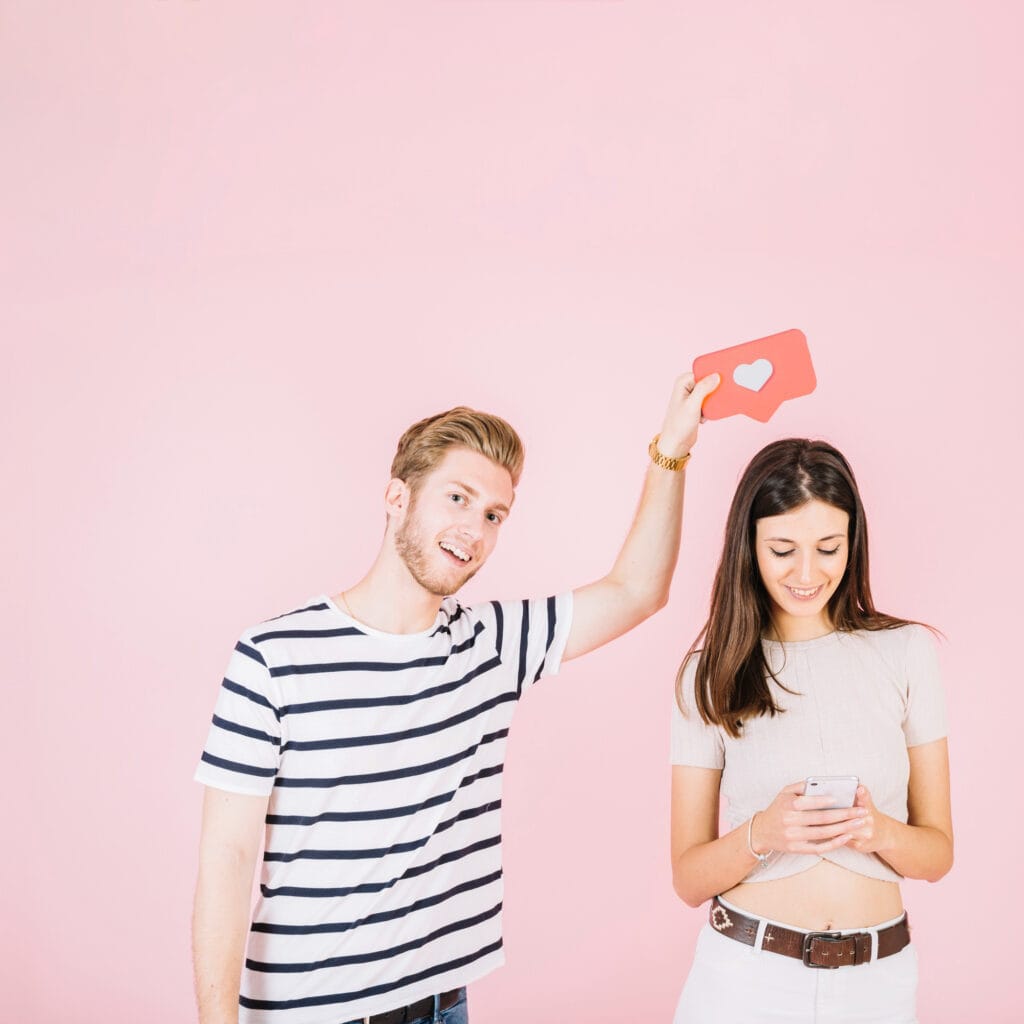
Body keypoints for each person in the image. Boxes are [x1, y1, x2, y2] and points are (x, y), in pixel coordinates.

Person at [192, 371, 719, 1024]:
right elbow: (227, 858)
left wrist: (672, 449)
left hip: (442, 1006)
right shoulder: (275, 656)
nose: (474, 528)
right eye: (457, 498)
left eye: (494, 515)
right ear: (397, 496)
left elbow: (637, 590)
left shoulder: (490, 645)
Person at [669, 438, 953, 1024]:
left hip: (879, 985)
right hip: (745, 980)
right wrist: (763, 832)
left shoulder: (906, 652)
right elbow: (688, 879)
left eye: (828, 548)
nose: (806, 573)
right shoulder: (710, 673)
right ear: (749, 546)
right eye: (782, 550)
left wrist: (877, 830)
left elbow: (937, 855)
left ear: (853, 542)